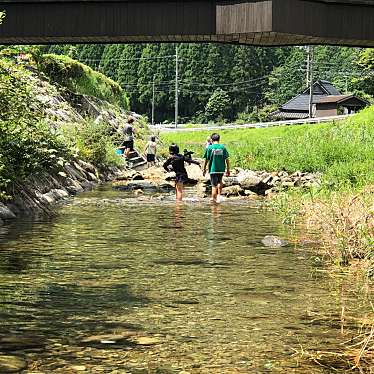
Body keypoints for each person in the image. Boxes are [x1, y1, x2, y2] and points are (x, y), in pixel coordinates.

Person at [203, 133, 230, 203]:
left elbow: (206, 159)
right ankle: (219, 196)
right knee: (220, 182)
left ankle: (214, 199)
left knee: (214, 185)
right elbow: (227, 159)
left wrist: (204, 169)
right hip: (221, 169)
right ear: (219, 139)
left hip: (213, 169)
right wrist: (228, 169)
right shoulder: (223, 147)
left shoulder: (209, 148)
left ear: (211, 140)